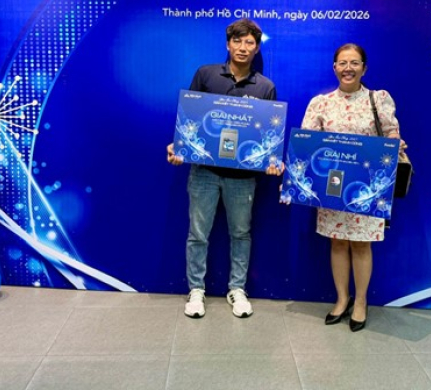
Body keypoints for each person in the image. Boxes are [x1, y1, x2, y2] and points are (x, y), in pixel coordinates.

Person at [167, 18, 284, 319]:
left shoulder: (265, 87)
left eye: (249, 43)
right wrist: (178, 147)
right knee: (198, 234)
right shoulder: (206, 75)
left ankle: (237, 289)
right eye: (237, 41)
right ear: (228, 44)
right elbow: (190, 120)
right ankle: (196, 290)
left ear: (256, 48)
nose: (243, 47)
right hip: (204, 172)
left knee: (241, 234)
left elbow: (268, 136)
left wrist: (272, 160)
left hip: (243, 178)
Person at [300, 43, 402, 332]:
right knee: (337, 242)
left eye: (354, 63)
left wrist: (396, 144)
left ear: (364, 68)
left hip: (366, 189)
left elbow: (391, 133)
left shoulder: (378, 99)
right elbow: (306, 144)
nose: (348, 68)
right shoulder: (320, 103)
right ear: (334, 68)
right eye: (343, 63)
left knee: (361, 244)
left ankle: (361, 302)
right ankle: (342, 299)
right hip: (331, 187)